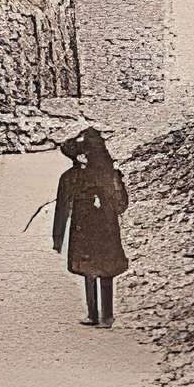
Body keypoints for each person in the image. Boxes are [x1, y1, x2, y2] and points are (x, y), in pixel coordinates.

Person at [51, 127, 130, 327]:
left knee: (98, 271)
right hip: (94, 229)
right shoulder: (93, 175)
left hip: (94, 230)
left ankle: (101, 315)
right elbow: (121, 205)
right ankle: (99, 315)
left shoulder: (93, 175)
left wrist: (58, 238)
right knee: (96, 271)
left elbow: (121, 205)